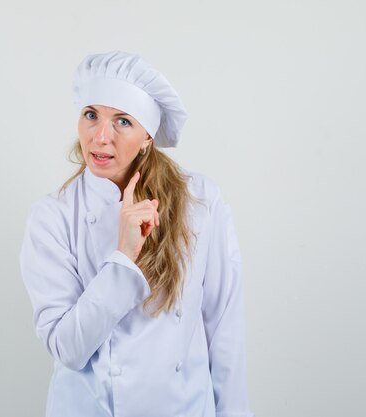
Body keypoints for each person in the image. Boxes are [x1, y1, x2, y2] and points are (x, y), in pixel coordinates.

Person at [18, 50, 254, 417]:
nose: (100, 137)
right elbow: (68, 348)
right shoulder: (53, 216)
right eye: (91, 115)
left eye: (122, 121)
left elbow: (224, 328)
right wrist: (123, 257)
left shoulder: (200, 201)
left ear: (148, 136)